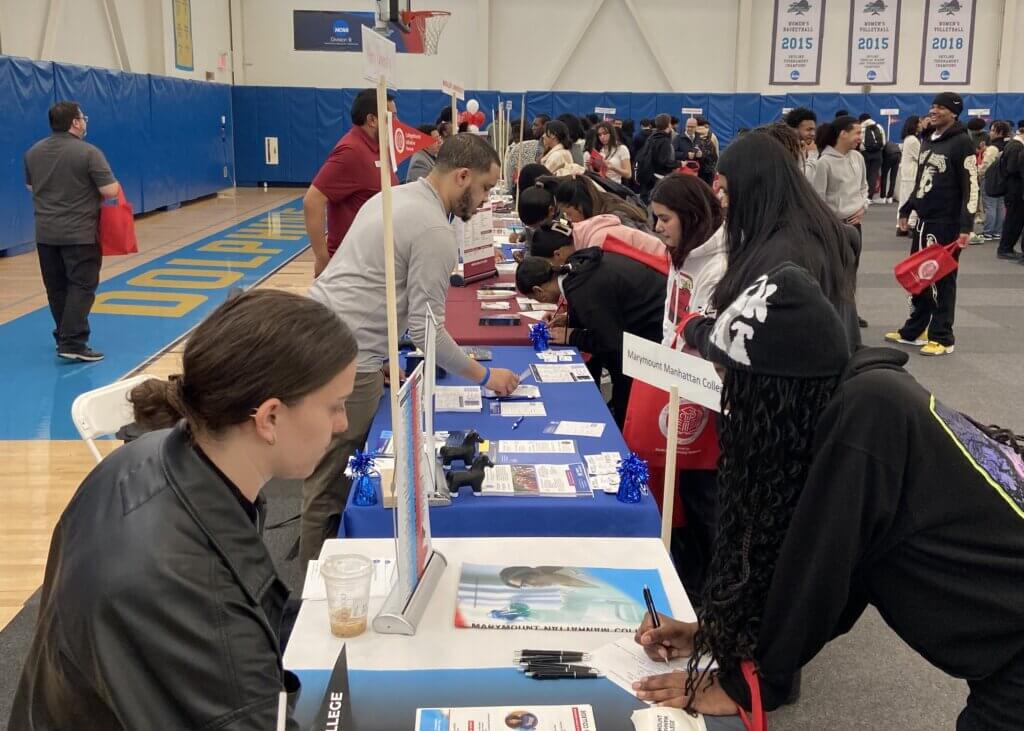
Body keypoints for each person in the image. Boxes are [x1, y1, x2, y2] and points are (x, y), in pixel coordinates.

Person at [631, 262, 1024, 731]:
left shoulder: (867, 416)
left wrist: (744, 685)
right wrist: (714, 635)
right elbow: (841, 575)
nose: (729, 399)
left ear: (777, 386)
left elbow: (819, 571)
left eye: (733, 379)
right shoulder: (860, 399)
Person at [9, 289, 358, 729]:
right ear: (269, 418)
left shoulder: (150, 457)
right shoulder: (184, 589)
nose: (343, 423)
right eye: (334, 406)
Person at [303, 134, 520, 561]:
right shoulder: (435, 231)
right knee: (334, 482)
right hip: (346, 358)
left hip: (324, 333)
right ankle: (315, 585)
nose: (484, 201)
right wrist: (487, 376)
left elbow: (374, 284)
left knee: (327, 474)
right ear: (462, 176)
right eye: (485, 189)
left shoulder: (394, 195)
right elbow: (428, 334)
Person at [649, 172, 726, 598]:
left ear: (691, 216)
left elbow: (701, 334)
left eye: (664, 219)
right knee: (680, 493)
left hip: (706, 391)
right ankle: (691, 586)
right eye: (655, 219)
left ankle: (714, 596)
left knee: (703, 497)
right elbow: (671, 317)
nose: (657, 228)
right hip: (676, 380)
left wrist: (675, 363)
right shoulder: (680, 254)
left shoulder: (719, 264)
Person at [713, 132, 861, 349]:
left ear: (753, 188)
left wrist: (697, 329)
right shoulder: (814, 232)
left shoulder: (785, 254)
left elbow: (755, 343)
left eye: (726, 190)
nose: (723, 202)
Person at [516, 224, 666, 426]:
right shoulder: (574, 269)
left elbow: (611, 343)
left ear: (538, 291)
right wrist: (571, 318)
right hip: (641, 313)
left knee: (628, 405)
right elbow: (601, 306)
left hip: (651, 333)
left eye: (538, 299)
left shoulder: (582, 292)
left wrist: (571, 336)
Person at [24, 101, 120, 362]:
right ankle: (73, 342)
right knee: (82, 285)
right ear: (75, 123)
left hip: (45, 234)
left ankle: (63, 335)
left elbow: (32, 187)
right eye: (83, 117)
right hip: (80, 233)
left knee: (56, 288)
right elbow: (110, 191)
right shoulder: (89, 153)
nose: (85, 121)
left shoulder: (33, 152)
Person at [889, 92, 979, 357]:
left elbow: (971, 186)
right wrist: (907, 208)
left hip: (946, 224)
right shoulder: (928, 139)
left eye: (941, 107)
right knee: (918, 277)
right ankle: (915, 329)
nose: (934, 110)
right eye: (933, 106)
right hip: (924, 222)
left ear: (954, 112)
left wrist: (966, 227)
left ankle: (942, 336)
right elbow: (920, 180)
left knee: (941, 279)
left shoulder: (962, 143)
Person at [304, 88, 398, 277]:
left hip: (374, 262)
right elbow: (312, 200)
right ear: (372, 120)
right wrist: (322, 259)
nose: (396, 123)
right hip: (350, 268)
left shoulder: (381, 148)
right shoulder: (351, 151)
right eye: (392, 116)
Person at [812, 116, 869, 233]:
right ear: (843, 134)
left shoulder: (858, 157)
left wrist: (863, 207)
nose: (860, 138)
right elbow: (818, 199)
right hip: (834, 227)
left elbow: (863, 187)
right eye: (857, 133)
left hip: (856, 225)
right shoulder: (824, 163)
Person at [543, 174, 648, 229]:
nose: (567, 219)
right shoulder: (599, 202)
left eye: (568, 214)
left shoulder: (616, 219)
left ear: (580, 207)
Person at [995, 120, 1024, 261]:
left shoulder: (1014, 145)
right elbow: (1012, 169)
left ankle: (1007, 247)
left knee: (1015, 220)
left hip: (1015, 190)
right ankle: (1005, 248)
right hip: (1014, 190)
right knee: (1013, 220)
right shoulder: (1016, 147)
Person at [980, 120, 1010, 242]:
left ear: (999, 132)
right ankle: (997, 231)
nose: (990, 132)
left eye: (992, 130)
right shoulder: (1008, 145)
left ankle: (988, 231)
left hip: (990, 179)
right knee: (1000, 205)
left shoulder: (993, 148)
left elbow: (986, 164)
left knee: (990, 205)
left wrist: (979, 174)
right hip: (1003, 179)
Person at [635, 114, 677, 200]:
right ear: (669, 124)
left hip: (648, 175)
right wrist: (680, 163)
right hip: (659, 178)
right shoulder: (664, 141)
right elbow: (664, 161)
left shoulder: (652, 137)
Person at [896, 115, 924, 237]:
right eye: (919, 122)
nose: (921, 125)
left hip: (906, 173)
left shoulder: (908, 139)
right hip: (912, 174)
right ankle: (911, 224)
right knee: (911, 199)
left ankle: (901, 226)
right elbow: (921, 157)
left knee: (904, 200)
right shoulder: (913, 140)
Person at [783, 106, 819, 179]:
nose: (813, 134)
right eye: (809, 130)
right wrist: (812, 155)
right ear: (794, 130)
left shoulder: (804, 148)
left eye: (814, 130)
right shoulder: (785, 151)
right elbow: (801, 180)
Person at [858, 112, 886, 200]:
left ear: (861, 120)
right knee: (874, 174)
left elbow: (858, 141)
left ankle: (862, 194)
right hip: (877, 153)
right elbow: (884, 142)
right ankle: (869, 197)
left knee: (864, 174)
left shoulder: (860, 127)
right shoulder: (879, 126)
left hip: (865, 153)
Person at [880, 136, 901, 204]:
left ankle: (883, 197)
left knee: (884, 176)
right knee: (893, 178)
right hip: (898, 155)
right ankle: (890, 197)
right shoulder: (892, 143)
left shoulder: (882, 145)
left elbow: (881, 158)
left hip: (889, 155)